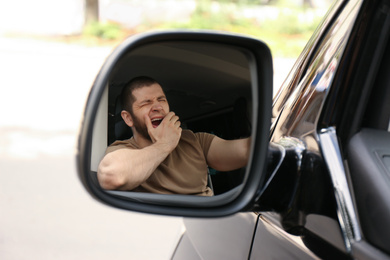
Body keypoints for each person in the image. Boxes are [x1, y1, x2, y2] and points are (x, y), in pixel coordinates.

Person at [97, 76, 251, 196]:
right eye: (146, 103)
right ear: (128, 118)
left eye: (161, 100)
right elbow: (112, 177)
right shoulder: (122, 150)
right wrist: (164, 145)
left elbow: (245, 150)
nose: (157, 107)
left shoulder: (195, 141)